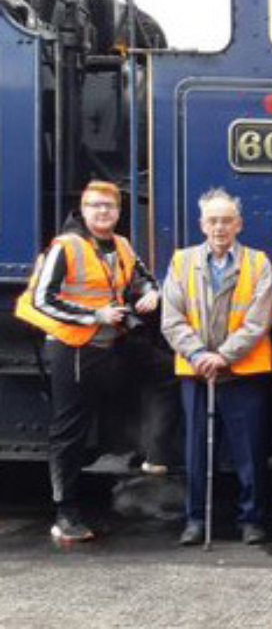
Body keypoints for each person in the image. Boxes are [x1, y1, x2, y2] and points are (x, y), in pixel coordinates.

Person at [16, 180, 159, 543]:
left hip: (110, 346)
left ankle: (154, 455)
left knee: (169, 371)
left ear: (118, 211)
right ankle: (65, 512)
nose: (103, 212)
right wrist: (95, 316)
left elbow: (142, 277)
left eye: (109, 207)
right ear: (83, 208)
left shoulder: (123, 245)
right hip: (74, 349)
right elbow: (39, 301)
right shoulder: (65, 247)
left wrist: (151, 293)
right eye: (95, 206)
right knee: (69, 430)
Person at [161, 188, 272, 546]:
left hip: (243, 373)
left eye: (226, 220)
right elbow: (171, 317)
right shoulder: (181, 262)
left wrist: (224, 355)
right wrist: (198, 355)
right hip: (197, 374)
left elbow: (259, 321)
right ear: (202, 224)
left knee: (250, 453)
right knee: (196, 451)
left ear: (238, 224)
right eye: (213, 220)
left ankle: (251, 519)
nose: (219, 227)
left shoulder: (258, 263)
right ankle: (195, 519)